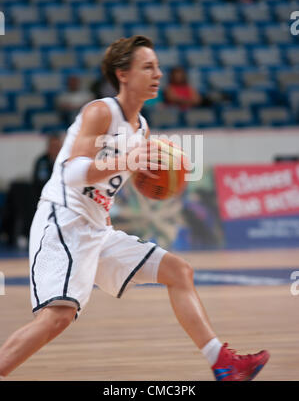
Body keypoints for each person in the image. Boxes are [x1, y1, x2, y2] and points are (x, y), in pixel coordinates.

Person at [0, 36, 269, 381]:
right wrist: (126, 159)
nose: (158, 73)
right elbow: (69, 172)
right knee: (58, 317)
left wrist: (156, 180)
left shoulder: (142, 129)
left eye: (157, 67)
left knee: (178, 271)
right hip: (63, 220)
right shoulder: (100, 112)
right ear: (123, 74)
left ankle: (223, 363)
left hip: (96, 228)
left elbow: (105, 186)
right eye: (148, 67)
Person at [0, 134, 62, 249]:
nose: (55, 149)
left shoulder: (65, 160)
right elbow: (39, 181)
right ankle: (32, 236)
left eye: (58, 146)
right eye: (53, 146)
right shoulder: (42, 161)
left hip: (62, 198)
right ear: (48, 147)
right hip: (44, 197)